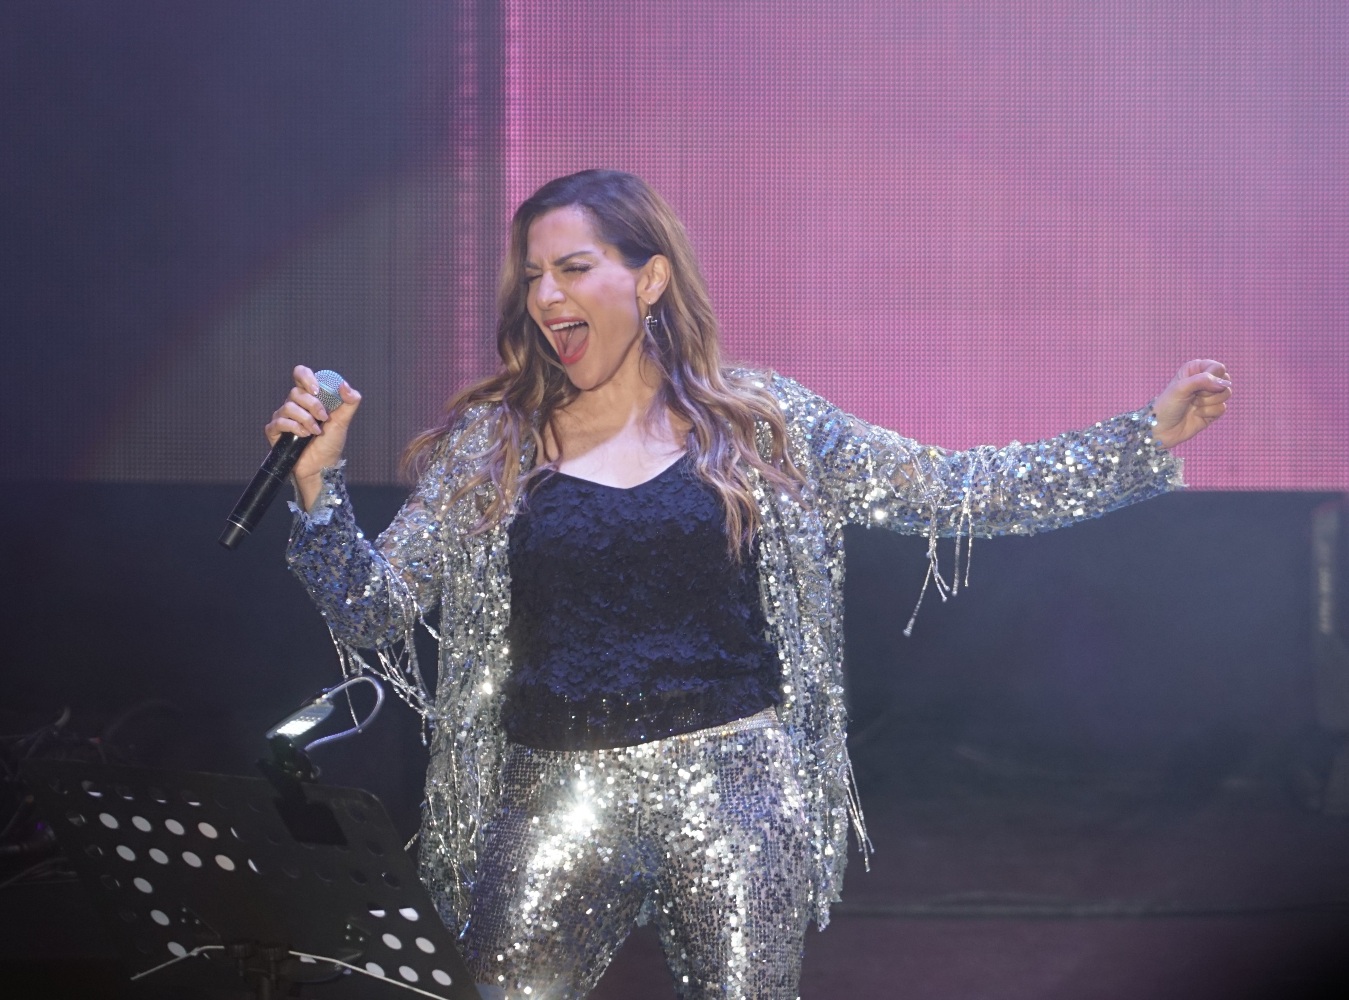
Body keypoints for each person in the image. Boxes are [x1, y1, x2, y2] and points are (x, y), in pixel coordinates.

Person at [268, 169, 1231, 1000]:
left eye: (573, 268)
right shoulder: (495, 444)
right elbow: (372, 608)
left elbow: (949, 488)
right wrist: (317, 487)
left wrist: (1139, 439)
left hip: (731, 789)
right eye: (532, 276)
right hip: (552, 793)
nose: (547, 295)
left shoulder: (759, 421)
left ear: (648, 278)